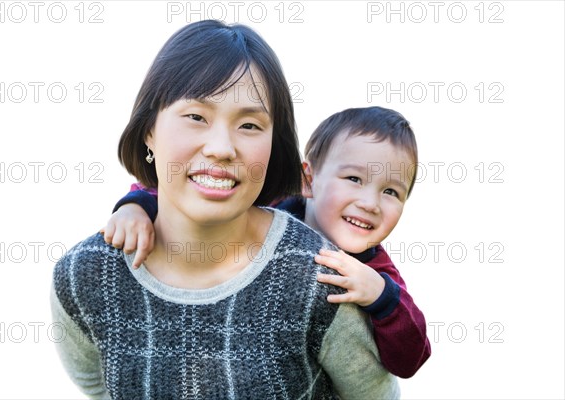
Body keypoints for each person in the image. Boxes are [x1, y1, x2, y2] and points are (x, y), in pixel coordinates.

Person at [51, 20, 399, 399]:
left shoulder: (319, 278)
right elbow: (95, 386)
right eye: (196, 117)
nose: (221, 147)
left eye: (249, 125)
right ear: (149, 130)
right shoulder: (86, 276)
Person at [105, 106, 431, 379]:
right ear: (308, 180)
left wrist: (381, 296)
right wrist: (135, 207)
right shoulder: (270, 210)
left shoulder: (376, 271)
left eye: (391, 192)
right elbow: (190, 197)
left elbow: (412, 358)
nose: (370, 203)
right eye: (354, 179)